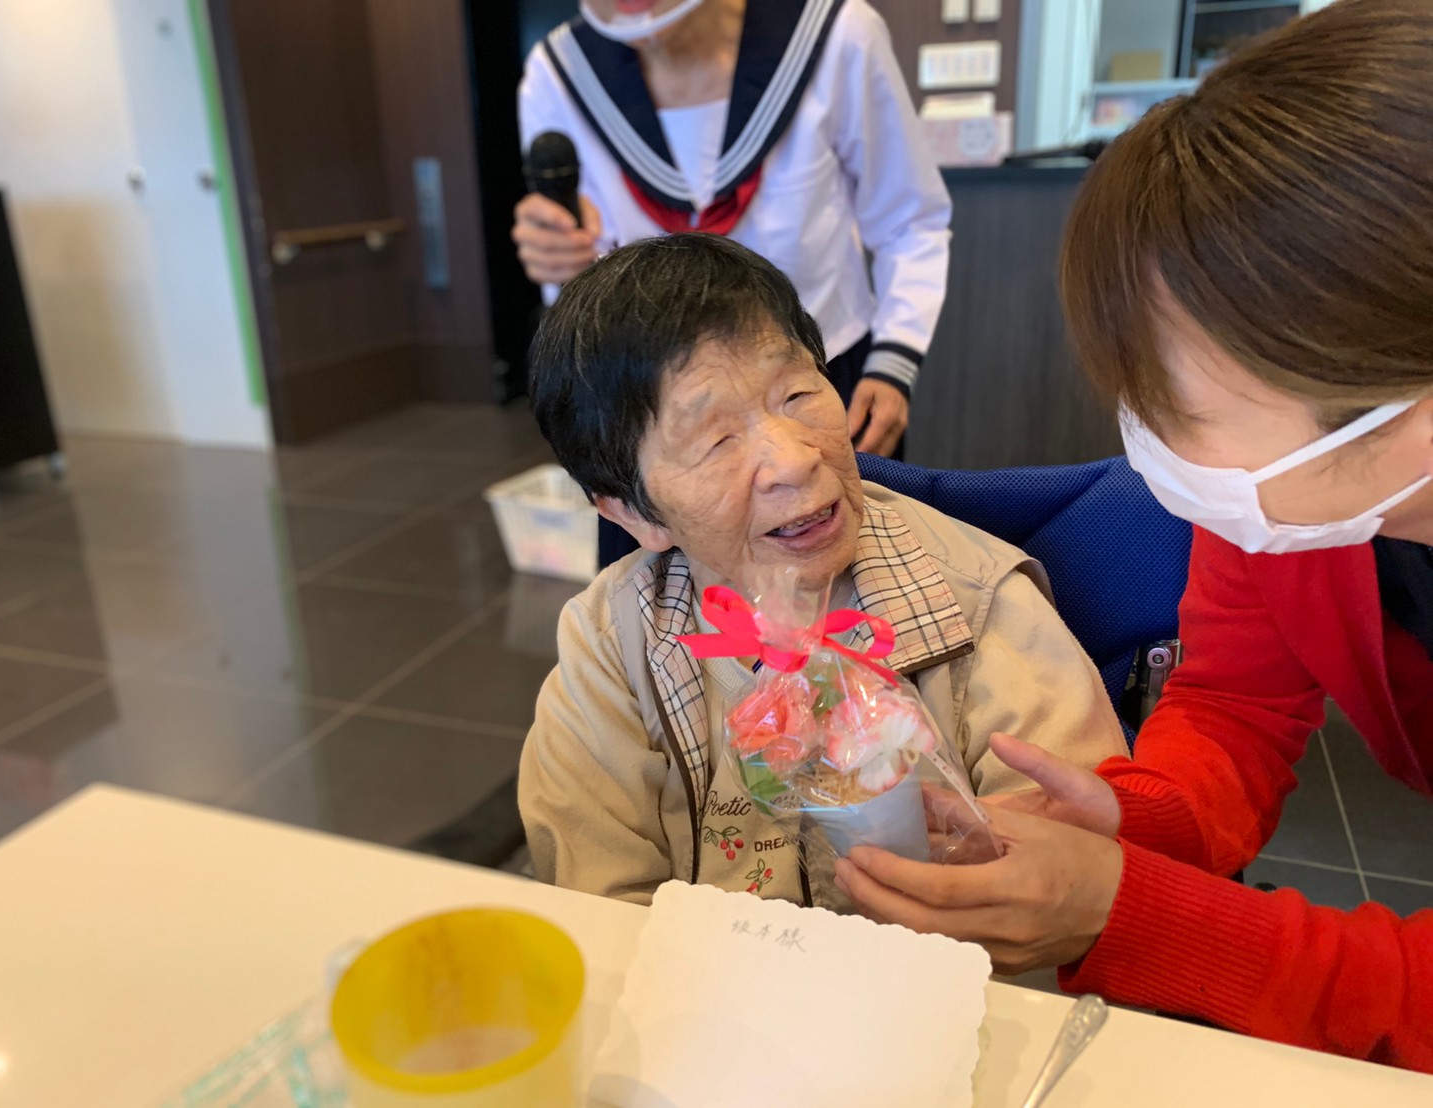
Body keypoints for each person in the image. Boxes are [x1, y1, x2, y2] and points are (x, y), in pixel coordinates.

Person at [834, 0, 1433, 1071]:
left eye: (1181, 409)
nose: (1148, 445)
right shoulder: (1273, 513)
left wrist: (1133, 913)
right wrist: (1132, 819)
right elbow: (1235, 703)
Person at [518, 232, 1126, 910]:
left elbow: (1069, 889)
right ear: (632, 512)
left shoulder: (978, 604)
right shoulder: (612, 646)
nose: (795, 459)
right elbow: (601, 912)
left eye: (799, 394)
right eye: (716, 440)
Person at [514, 0, 951, 459]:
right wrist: (563, 257)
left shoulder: (836, 34)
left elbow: (909, 219)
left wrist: (893, 362)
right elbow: (589, 261)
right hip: (657, 407)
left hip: (819, 378)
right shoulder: (560, 72)